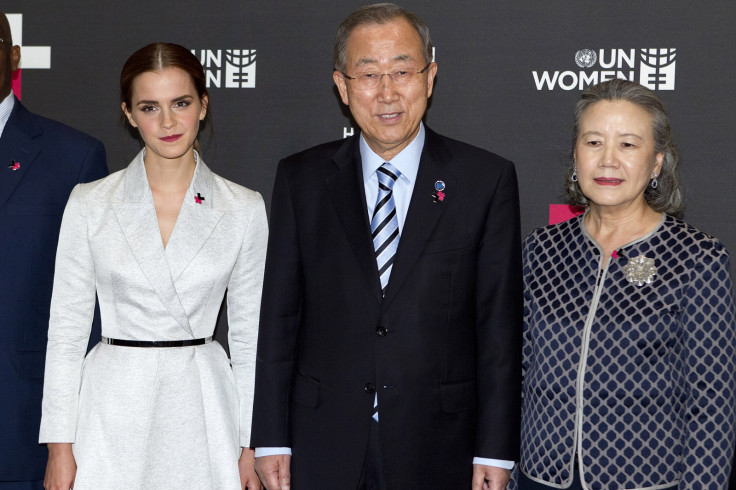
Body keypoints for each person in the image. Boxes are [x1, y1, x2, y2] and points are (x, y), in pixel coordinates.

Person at [251, 3, 522, 489]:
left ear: (430, 76)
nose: (388, 92)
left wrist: (496, 451)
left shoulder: (485, 180)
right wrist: (271, 438)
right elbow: (279, 319)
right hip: (323, 439)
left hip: (441, 443)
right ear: (342, 86)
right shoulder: (301, 180)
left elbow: (498, 330)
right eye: (369, 74)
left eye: (403, 71)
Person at [38, 43, 266, 490]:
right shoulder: (91, 203)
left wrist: (249, 444)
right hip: (111, 408)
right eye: (149, 107)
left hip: (203, 409)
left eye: (180, 103)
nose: (166, 122)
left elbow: (249, 338)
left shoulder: (242, 208)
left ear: (203, 105)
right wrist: (60, 447)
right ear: (128, 113)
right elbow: (65, 332)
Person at [518, 79, 736, 489]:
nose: (608, 161)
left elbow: (712, 403)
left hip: (647, 481)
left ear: (657, 163)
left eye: (629, 145)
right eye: (594, 142)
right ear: (575, 156)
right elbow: (517, 374)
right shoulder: (540, 250)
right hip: (539, 477)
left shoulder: (697, 258)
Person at [0, 11, 108, 490]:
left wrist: (72, 435)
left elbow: (92, 307)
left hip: (22, 425)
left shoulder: (73, 156)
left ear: (14, 56)